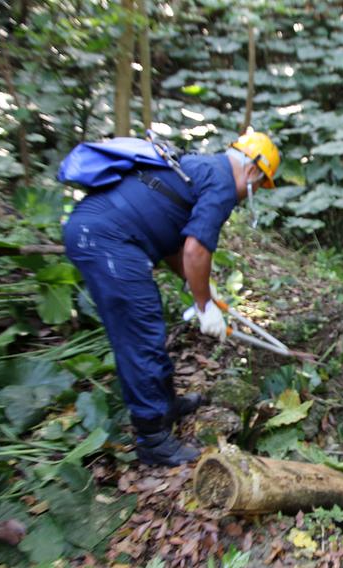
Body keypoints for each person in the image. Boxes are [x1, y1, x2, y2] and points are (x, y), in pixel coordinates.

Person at [62, 130, 280, 466]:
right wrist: (205, 307)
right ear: (252, 171)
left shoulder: (201, 167)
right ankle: (152, 439)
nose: (249, 195)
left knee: (148, 324)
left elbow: (174, 247)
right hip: (107, 238)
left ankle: (164, 406)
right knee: (140, 332)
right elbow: (195, 248)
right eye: (259, 185)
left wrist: (205, 292)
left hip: (104, 232)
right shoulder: (223, 183)